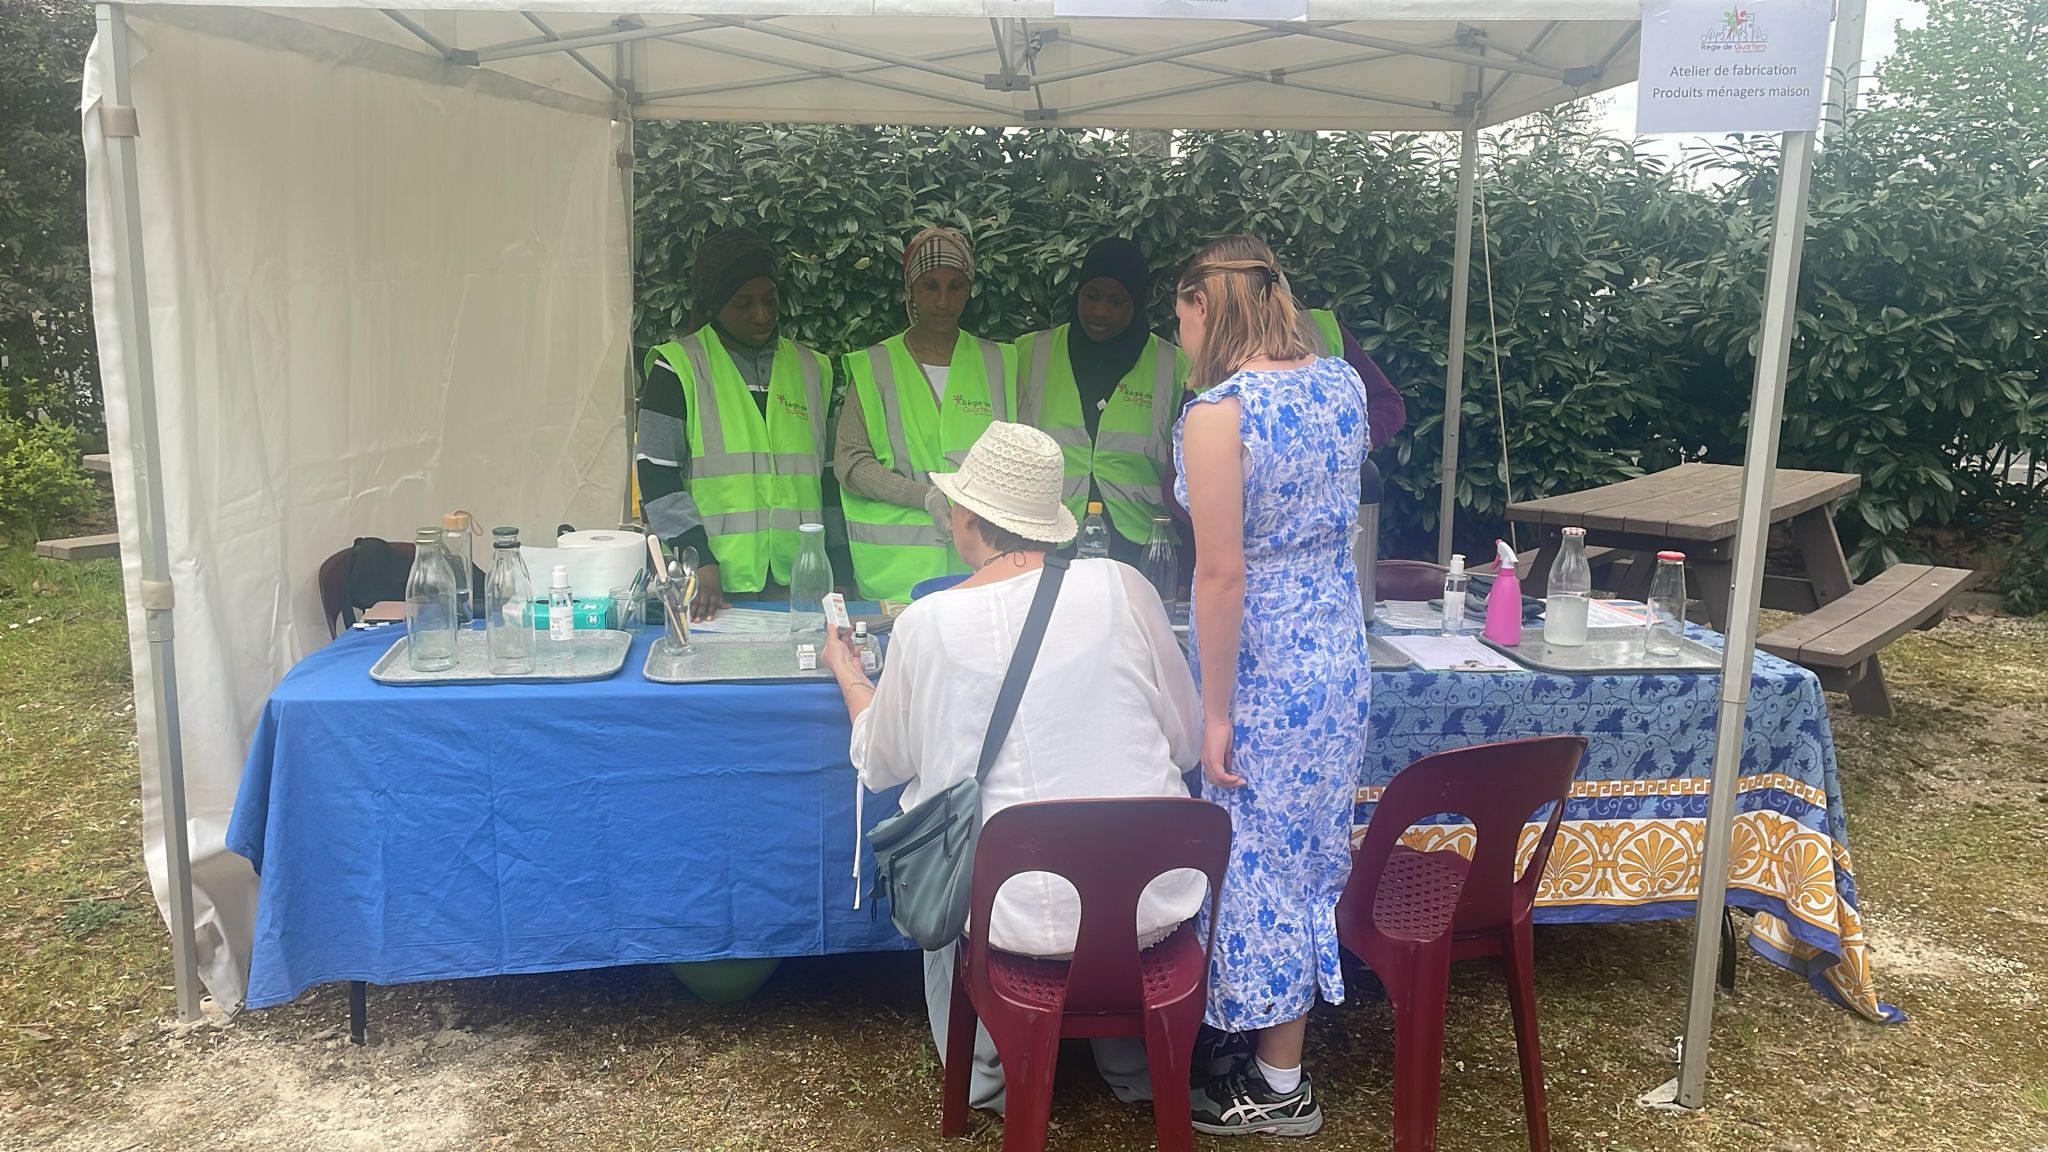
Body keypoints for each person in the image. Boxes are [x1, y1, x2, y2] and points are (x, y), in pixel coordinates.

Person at [821, 421, 1208, 1116]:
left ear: (968, 518)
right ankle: (1133, 1064)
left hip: (1010, 921)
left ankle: (986, 1078)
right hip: (1152, 906)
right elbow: (1184, 743)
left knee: (950, 855)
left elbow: (881, 763)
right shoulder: (1125, 587)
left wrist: (850, 676)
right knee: (1109, 838)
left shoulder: (926, 622)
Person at [1173, 235, 1371, 1138]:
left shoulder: (1219, 414)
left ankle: (1279, 1085)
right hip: (1335, 652)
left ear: (1205, 305)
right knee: (1304, 858)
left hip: (1265, 667)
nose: (1178, 337)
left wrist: (1213, 710)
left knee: (1252, 860)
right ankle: (1260, 1048)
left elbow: (1222, 576)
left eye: (1180, 317)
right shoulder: (1341, 386)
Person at [636, 227, 833, 620]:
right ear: (715, 305)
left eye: (770, 300)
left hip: (799, 580)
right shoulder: (678, 367)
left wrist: (836, 567)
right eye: (744, 304)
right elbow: (656, 475)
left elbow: (829, 480)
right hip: (715, 587)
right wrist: (698, 557)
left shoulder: (814, 369)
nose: (761, 315)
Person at [836, 227, 1019, 603]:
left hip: (982, 570)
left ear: (969, 290)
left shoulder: (1000, 363)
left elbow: (1021, 457)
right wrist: (923, 496)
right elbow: (850, 463)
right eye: (930, 286)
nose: (943, 301)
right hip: (894, 577)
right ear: (912, 290)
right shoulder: (874, 366)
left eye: (956, 287)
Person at [1013, 239, 1188, 565]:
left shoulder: (1174, 366)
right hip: (1047, 542)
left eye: (1117, 301)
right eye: (1091, 295)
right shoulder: (1028, 354)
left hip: (1144, 547)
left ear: (1137, 301)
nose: (1100, 311)